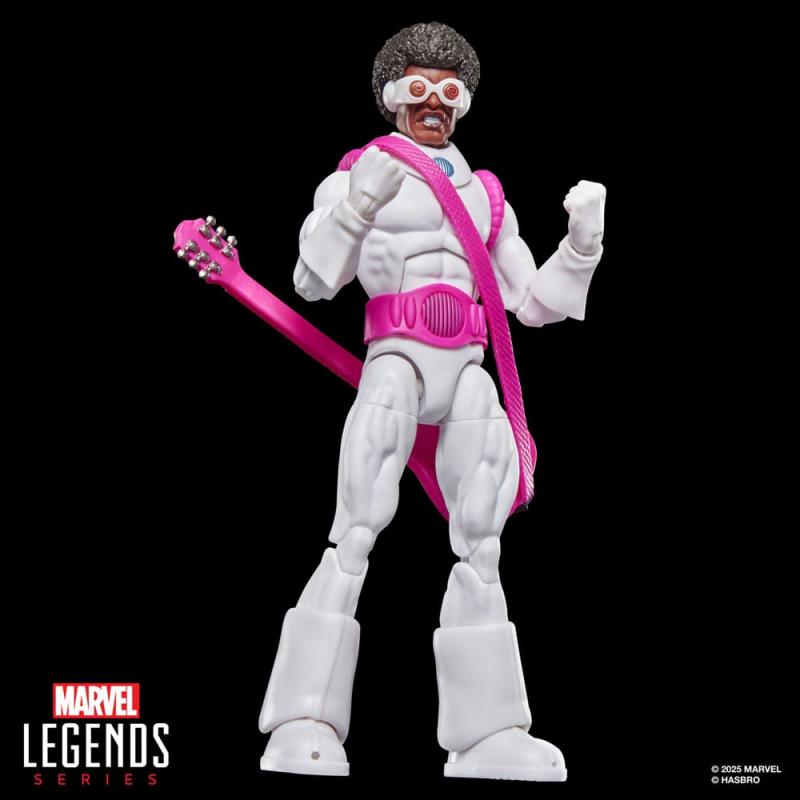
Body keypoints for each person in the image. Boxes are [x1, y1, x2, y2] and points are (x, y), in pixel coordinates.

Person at [258, 21, 605, 781]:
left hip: (469, 367)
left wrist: (582, 246)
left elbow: (532, 304)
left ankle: (487, 735)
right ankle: (301, 719)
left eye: (449, 92)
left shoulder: (485, 195)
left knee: (483, 543)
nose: (434, 103)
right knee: (355, 530)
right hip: (397, 360)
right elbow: (311, 280)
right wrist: (357, 206)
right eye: (418, 87)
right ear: (391, 95)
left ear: (465, 102)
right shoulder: (360, 171)